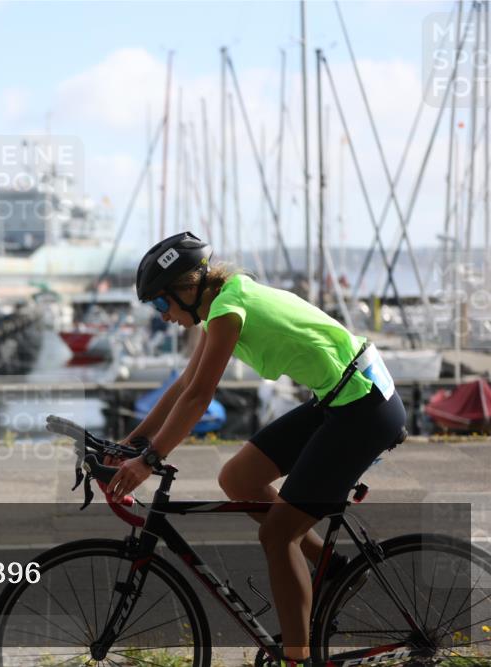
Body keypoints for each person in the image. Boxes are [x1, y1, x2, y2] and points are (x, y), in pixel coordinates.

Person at [108, 231, 407, 666]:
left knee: (277, 533)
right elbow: (184, 385)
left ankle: (296, 659)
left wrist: (150, 460)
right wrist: (131, 443)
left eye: (160, 303)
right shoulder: (224, 304)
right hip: (341, 396)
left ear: (188, 288)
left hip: (364, 407)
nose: (162, 316)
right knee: (238, 478)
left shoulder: (229, 309)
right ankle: (332, 568)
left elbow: (199, 398)